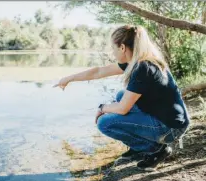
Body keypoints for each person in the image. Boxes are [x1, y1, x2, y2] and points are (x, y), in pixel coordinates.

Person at [53, 25, 190, 171]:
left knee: (104, 123)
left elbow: (123, 109)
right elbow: (98, 71)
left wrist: (102, 108)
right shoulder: (139, 61)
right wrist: (69, 78)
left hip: (170, 128)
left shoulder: (142, 68)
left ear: (122, 48)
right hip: (173, 120)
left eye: (113, 48)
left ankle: (155, 149)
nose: (112, 52)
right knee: (120, 96)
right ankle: (139, 146)